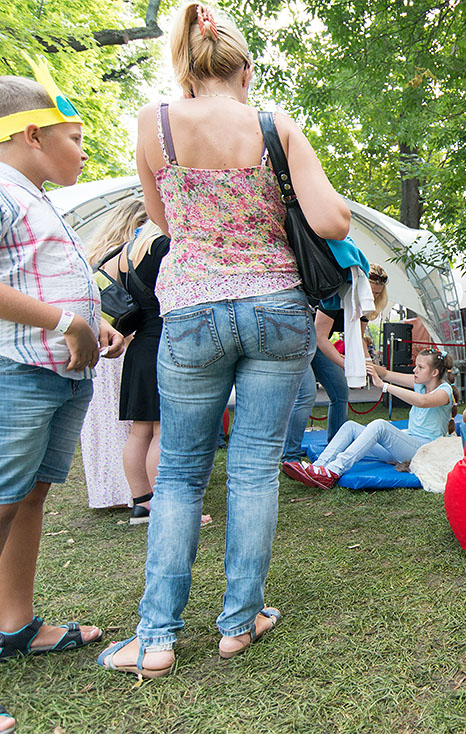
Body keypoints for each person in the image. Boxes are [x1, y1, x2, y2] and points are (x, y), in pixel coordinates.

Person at [97, 2, 350, 678]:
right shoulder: (275, 124)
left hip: (193, 308)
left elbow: (162, 221)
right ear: (247, 71)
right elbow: (333, 223)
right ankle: (241, 622)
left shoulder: (153, 125)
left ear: (186, 68)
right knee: (253, 469)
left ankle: (155, 639)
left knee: (178, 474)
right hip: (274, 306)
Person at [0, 64, 125, 733]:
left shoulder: (33, 196)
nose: (83, 151)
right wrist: (62, 322)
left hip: (56, 374)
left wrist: (90, 319)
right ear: (33, 132)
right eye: (76, 137)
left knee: (28, 498)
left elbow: (35, 274)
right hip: (12, 370)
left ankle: (12, 625)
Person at [112, 222, 212, 527]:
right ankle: (167, 506)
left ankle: (142, 504)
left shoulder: (127, 250)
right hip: (166, 344)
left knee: (139, 431)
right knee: (162, 431)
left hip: (139, 346)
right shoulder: (166, 246)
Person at [281, 348, 455, 490]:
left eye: (420, 367)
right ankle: (320, 468)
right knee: (350, 426)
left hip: (425, 449)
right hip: (407, 445)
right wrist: (359, 362)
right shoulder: (420, 383)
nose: (414, 370)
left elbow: (423, 402)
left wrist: (385, 387)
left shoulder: (444, 391)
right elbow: (385, 373)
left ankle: (333, 471)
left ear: (435, 372)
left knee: (380, 426)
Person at [281, 264, 388, 461]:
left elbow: (358, 337)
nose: (373, 296)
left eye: (377, 293)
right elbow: (321, 338)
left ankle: (337, 444)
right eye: (372, 291)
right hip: (297, 341)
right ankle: (290, 455)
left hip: (316, 343)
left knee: (340, 392)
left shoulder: (364, 302)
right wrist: (348, 365)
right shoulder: (335, 295)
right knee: (306, 395)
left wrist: (368, 364)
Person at [79, 199, 145, 510]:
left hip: (97, 348)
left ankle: (108, 491)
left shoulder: (92, 260)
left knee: (103, 423)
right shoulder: (131, 257)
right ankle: (135, 490)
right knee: (132, 422)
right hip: (123, 345)